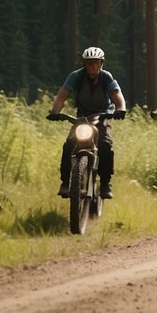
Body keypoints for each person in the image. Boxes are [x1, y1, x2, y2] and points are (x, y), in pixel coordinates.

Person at [49, 46, 127, 199]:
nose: (93, 66)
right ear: (84, 64)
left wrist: (120, 109)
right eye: (90, 63)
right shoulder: (76, 76)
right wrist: (55, 112)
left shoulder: (106, 77)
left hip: (103, 116)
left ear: (101, 63)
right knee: (69, 145)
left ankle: (105, 184)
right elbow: (61, 96)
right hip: (82, 117)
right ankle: (65, 182)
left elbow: (117, 96)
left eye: (96, 63)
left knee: (105, 145)